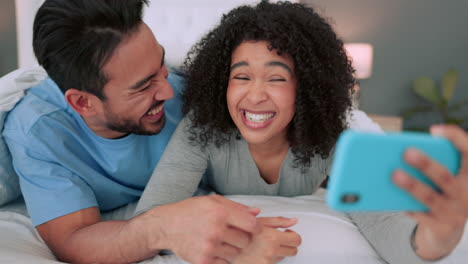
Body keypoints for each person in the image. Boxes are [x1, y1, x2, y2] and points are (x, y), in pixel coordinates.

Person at [135, 1, 468, 263]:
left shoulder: (332, 133)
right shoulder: (203, 127)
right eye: (241, 77)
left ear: (306, 87)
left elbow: (384, 226)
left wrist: (438, 236)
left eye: (277, 78)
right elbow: (151, 224)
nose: (254, 95)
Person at [2, 1, 296, 263]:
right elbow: (73, 239)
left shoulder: (189, 88)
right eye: (143, 86)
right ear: (83, 102)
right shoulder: (39, 131)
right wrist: (162, 229)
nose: (168, 91)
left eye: (161, 66)